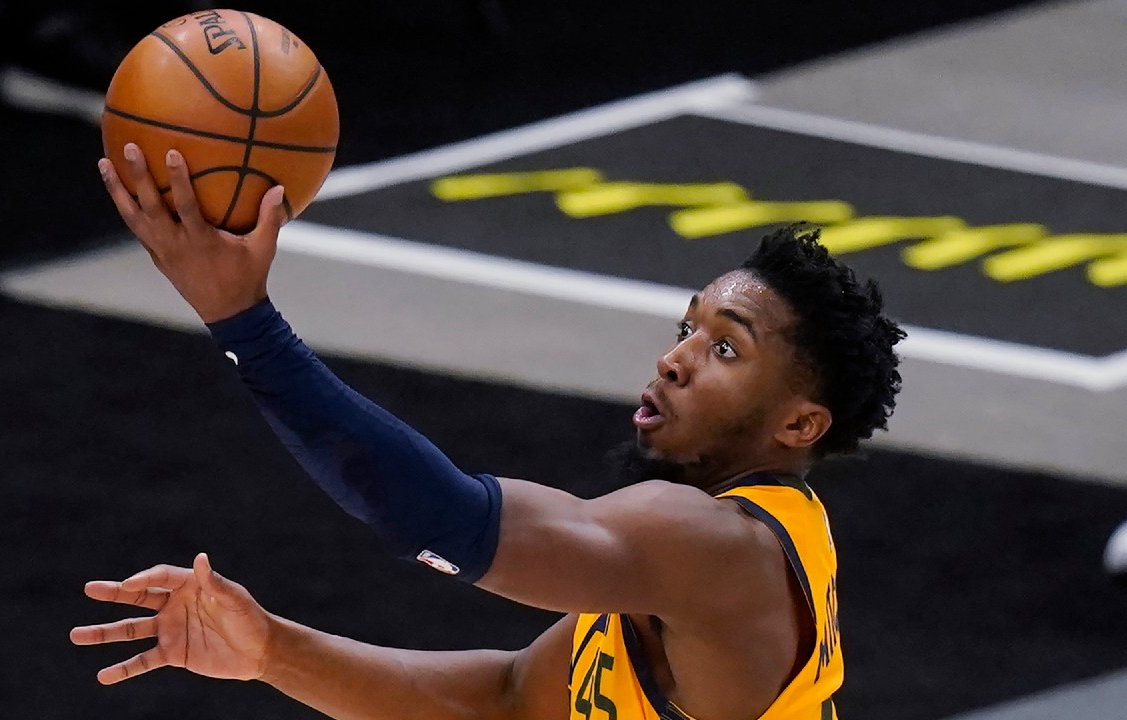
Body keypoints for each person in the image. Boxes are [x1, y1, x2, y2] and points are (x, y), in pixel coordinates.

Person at [71, 143, 904, 720]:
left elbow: (445, 519)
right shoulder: (702, 557)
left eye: (726, 347)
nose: (677, 358)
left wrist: (242, 320)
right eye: (687, 327)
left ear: (800, 423)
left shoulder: (719, 545)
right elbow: (506, 703)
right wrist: (269, 652)